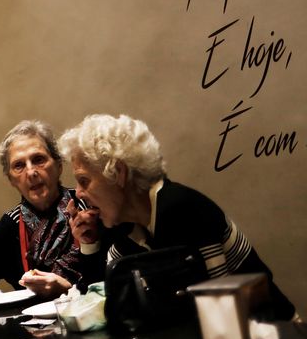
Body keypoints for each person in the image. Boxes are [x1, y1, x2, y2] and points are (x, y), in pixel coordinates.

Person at [59, 113, 296, 320]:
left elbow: (221, 307)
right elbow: (98, 301)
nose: (78, 193)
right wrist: (90, 243)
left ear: (119, 173)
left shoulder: (181, 209)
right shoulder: (125, 224)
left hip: (272, 330)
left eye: (84, 181)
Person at [0, 120, 98, 299]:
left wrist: (69, 287)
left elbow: (112, 281)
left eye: (38, 160)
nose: (31, 172)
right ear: (11, 180)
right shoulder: (8, 227)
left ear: (58, 165)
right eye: (19, 165)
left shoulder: (89, 206)